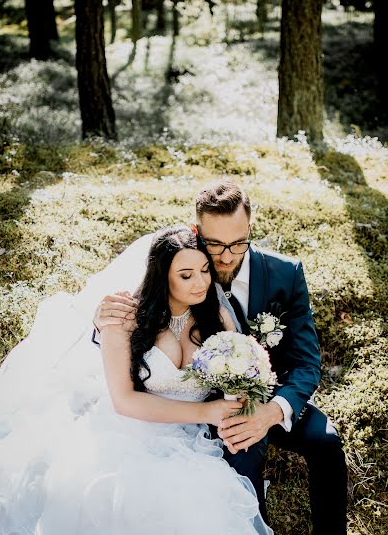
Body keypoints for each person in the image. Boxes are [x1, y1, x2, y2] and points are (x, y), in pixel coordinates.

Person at [93, 180, 348, 535]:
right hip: (201, 404)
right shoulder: (181, 259)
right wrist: (102, 323)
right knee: (242, 454)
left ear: (250, 229)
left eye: (238, 243)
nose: (226, 256)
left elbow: (306, 362)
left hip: (268, 393)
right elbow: (140, 310)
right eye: (215, 244)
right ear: (198, 233)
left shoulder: (285, 274)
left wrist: (272, 411)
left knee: (327, 442)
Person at [0, 225, 273, 535]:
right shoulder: (124, 319)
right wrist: (207, 411)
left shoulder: (216, 316)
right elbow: (123, 400)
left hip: (195, 440)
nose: (201, 282)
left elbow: (243, 375)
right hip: (131, 435)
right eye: (186, 275)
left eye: (205, 270)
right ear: (162, 276)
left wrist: (240, 397)